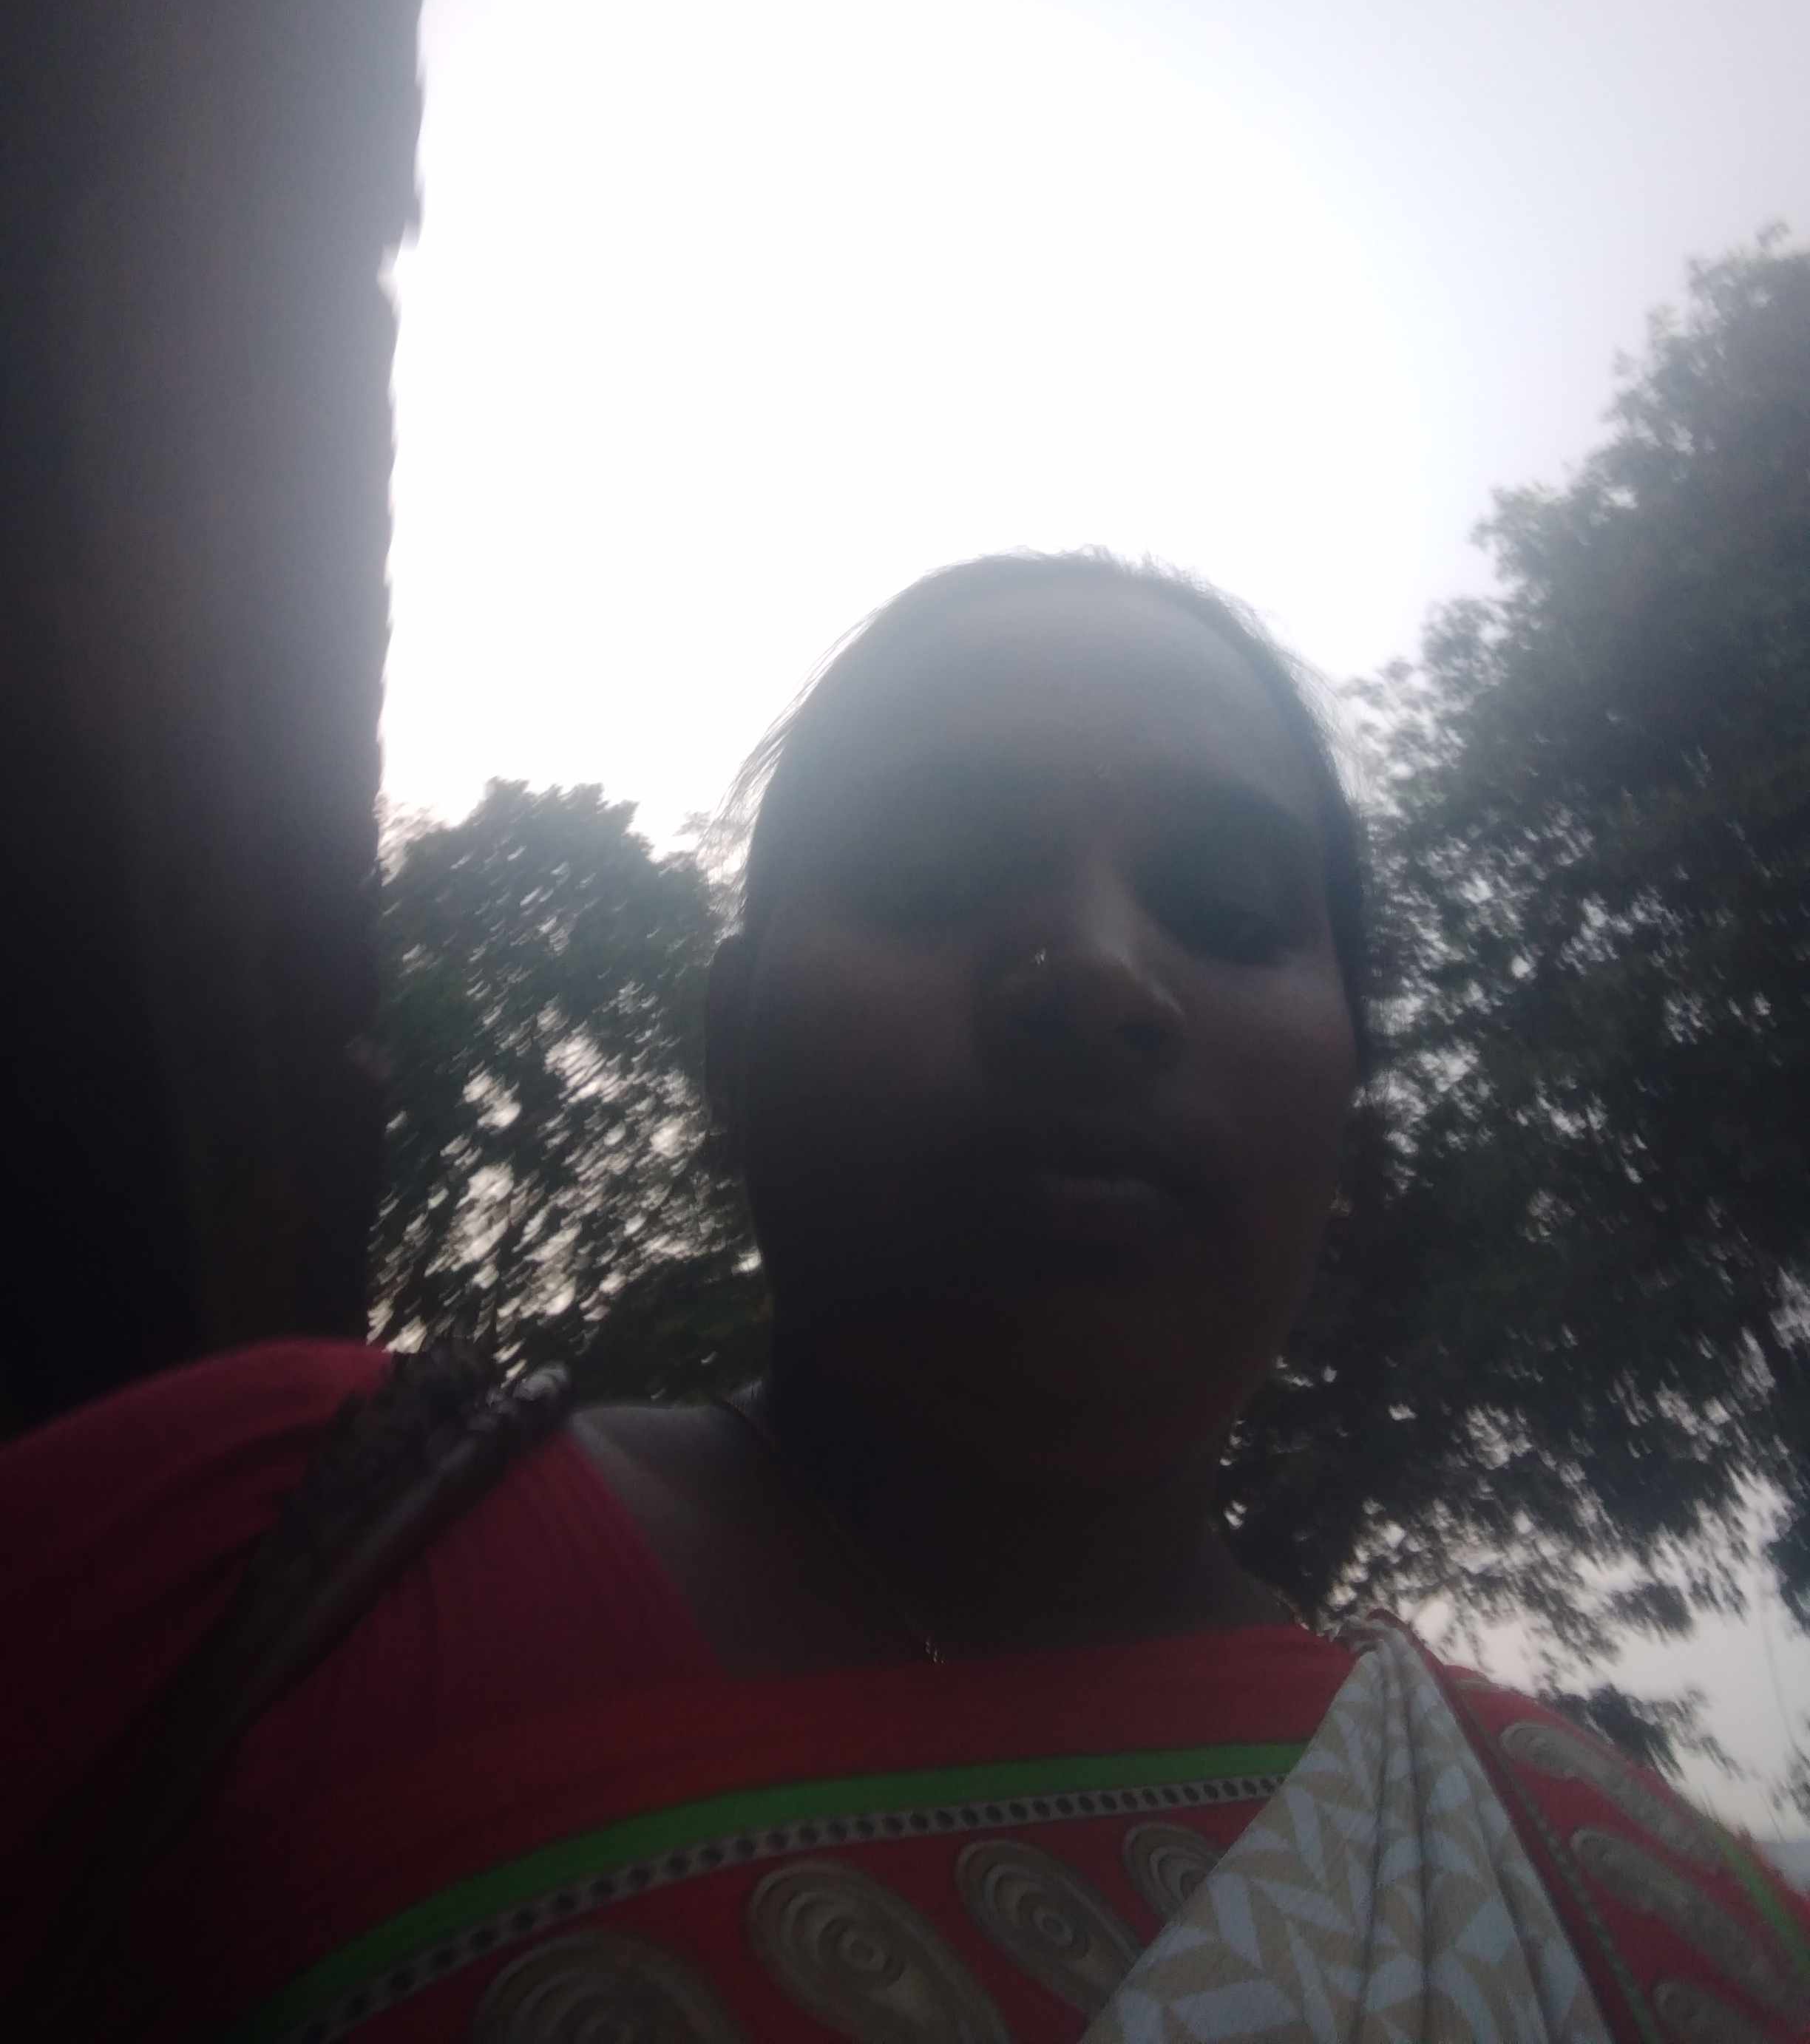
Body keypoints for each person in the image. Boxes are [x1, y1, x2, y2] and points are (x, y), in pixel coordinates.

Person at [4, 551, 1806, 2044]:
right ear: (730, 1041)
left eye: (1229, 905)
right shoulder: (250, 1550)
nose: (1098, 975)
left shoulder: (1624, 1914)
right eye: (935, 874)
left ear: (1353, 1107)